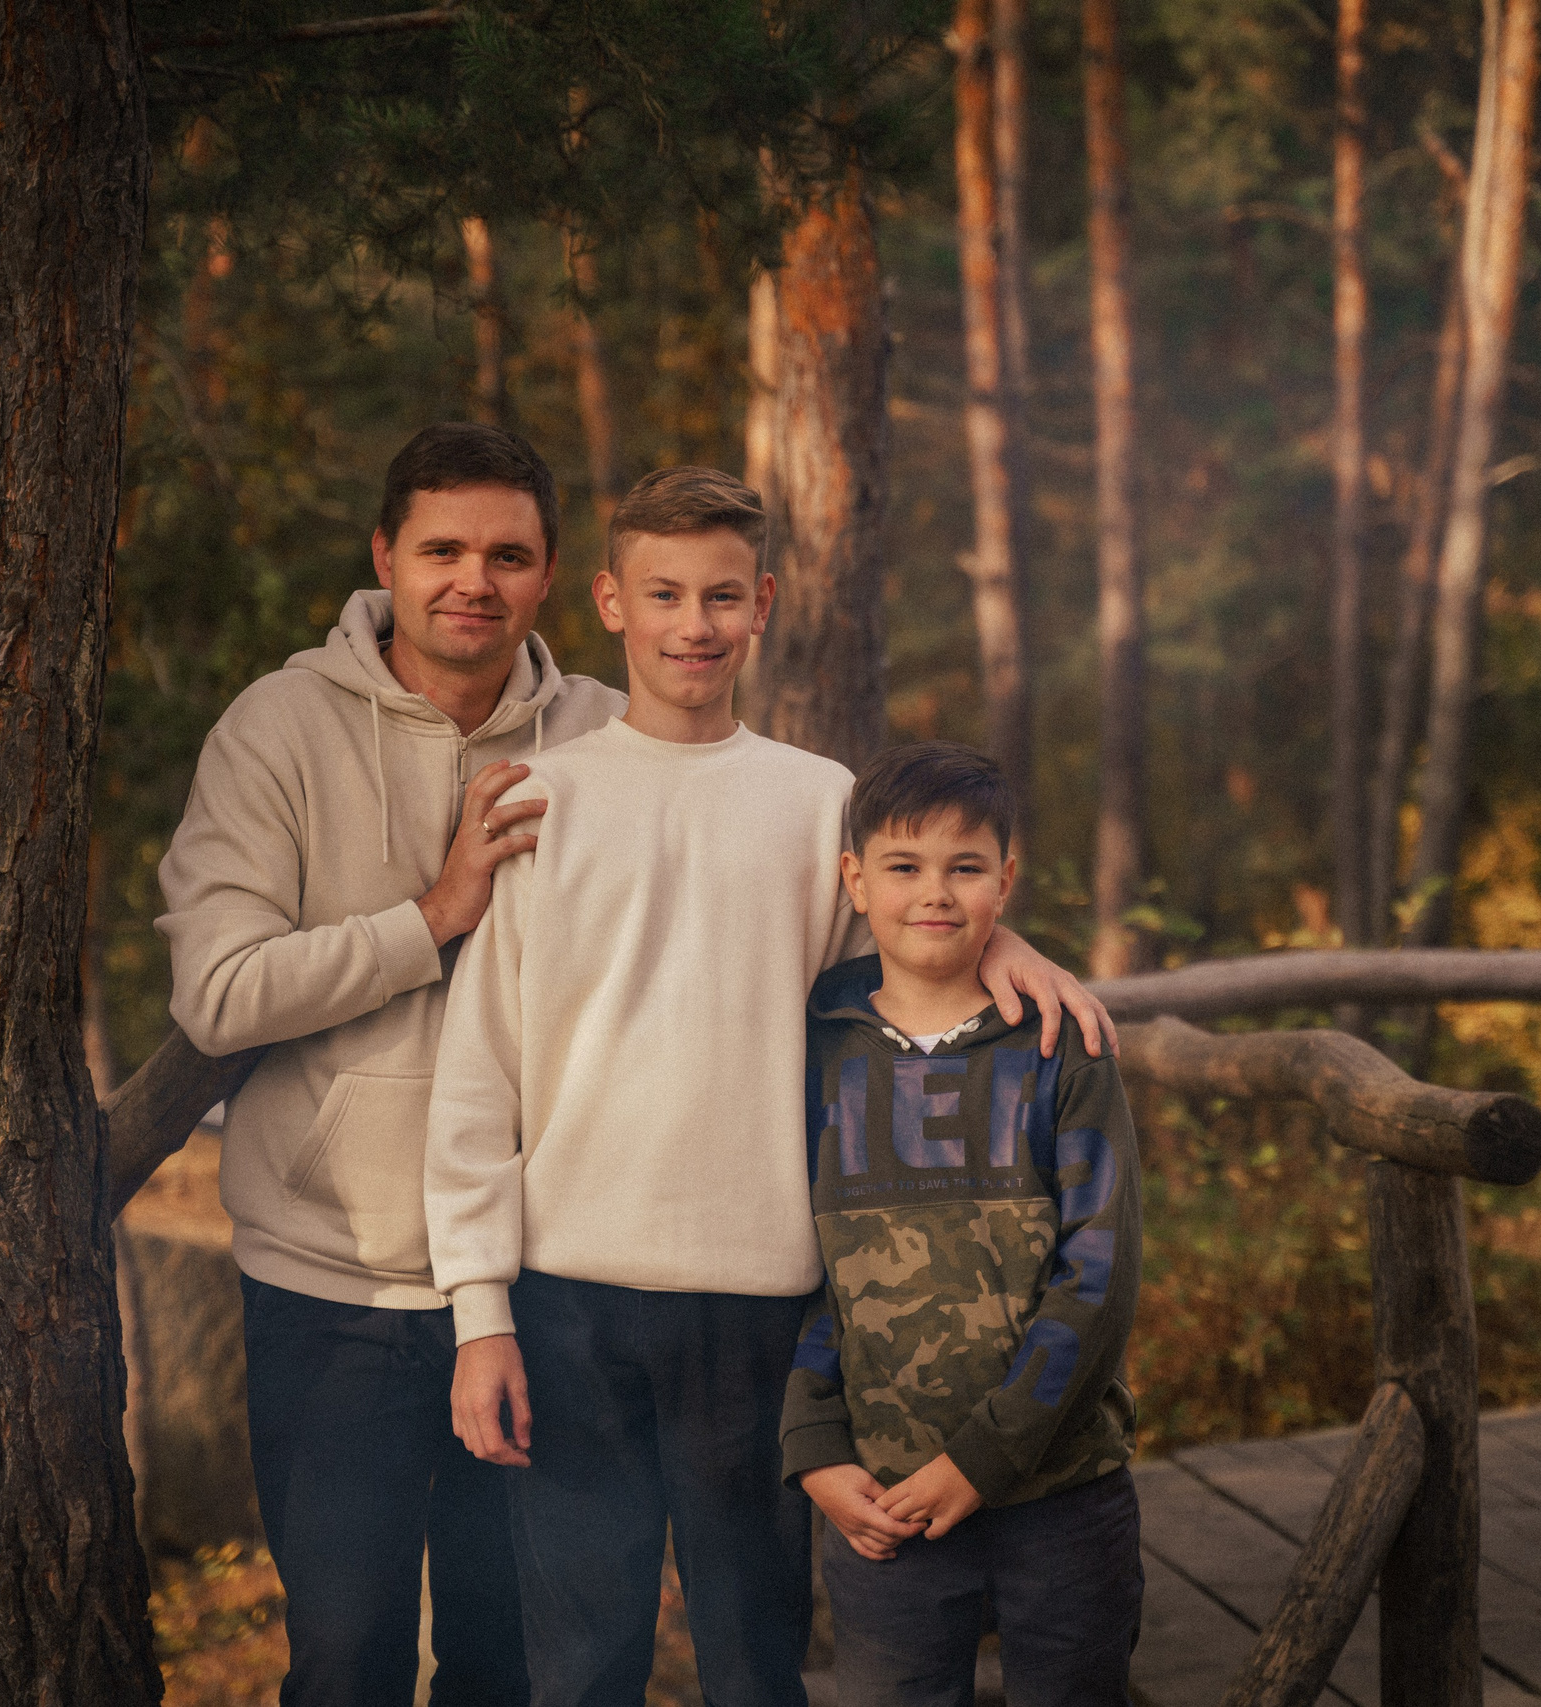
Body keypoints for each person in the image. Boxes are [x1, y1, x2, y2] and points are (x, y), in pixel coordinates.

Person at [425, 466, 1116, 1707]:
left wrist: (1001, 941)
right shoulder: (546, 800)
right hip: (570, 1300)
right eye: (666, 594)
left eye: (722, 596)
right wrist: (479, 1312)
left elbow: (910, 942)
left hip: (767, 1307)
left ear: (765, 606)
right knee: (581, 1665)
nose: (695, 623)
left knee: (757, 1660)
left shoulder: (820, 804)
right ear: (610, 605)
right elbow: (479, 1075)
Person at [157, 423, 627, 1707]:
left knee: (505, 1655)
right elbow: (216, 993)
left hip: (541, 1282)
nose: (472, 579)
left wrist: (996, 935)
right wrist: (432, 916)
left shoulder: (610, 738)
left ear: (547, 574)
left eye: (507, 554)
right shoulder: (275, 731)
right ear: (384, 556)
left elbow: (789, 863)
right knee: (348, 1656)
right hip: (333, 1285)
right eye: (442, 549)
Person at [784, 741, 1144, 1707]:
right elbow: (798, 1262)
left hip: (1061, 1498)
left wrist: (979, 1463)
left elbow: (1098, 1276)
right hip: (883, 1502)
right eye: (903, 866)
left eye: (965, 867)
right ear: (855, 880)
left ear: (1005, 881)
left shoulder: (1063, 1045)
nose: (933, 893)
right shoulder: (815, 1041)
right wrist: (813, 1444)